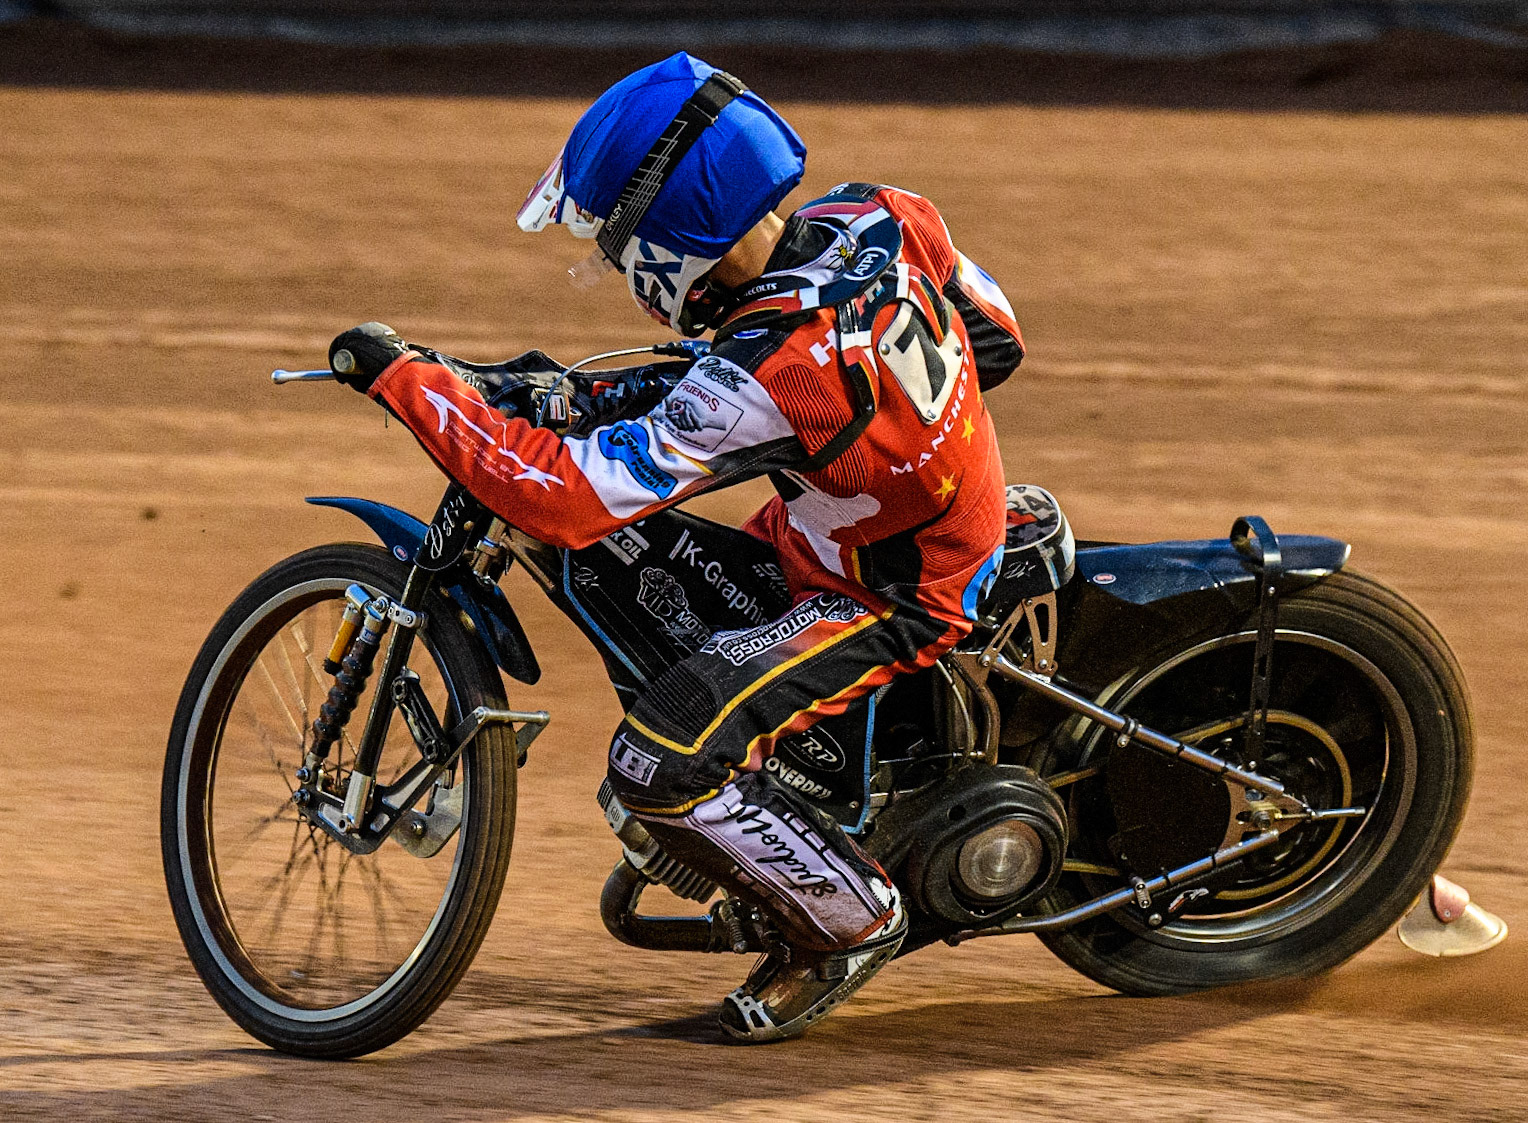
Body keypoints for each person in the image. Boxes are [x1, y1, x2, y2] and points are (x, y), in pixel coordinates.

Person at [326, 51, 1024, 1042]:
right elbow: (998, 339)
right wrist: (884, 441)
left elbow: (569, 500)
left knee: (657, 763)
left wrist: (412, 387)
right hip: (870, 525)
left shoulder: (772, 368)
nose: (616, 268)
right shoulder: (880, 213)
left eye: (617, 245)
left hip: (892, 593)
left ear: (670, 234)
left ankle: (848, 921)